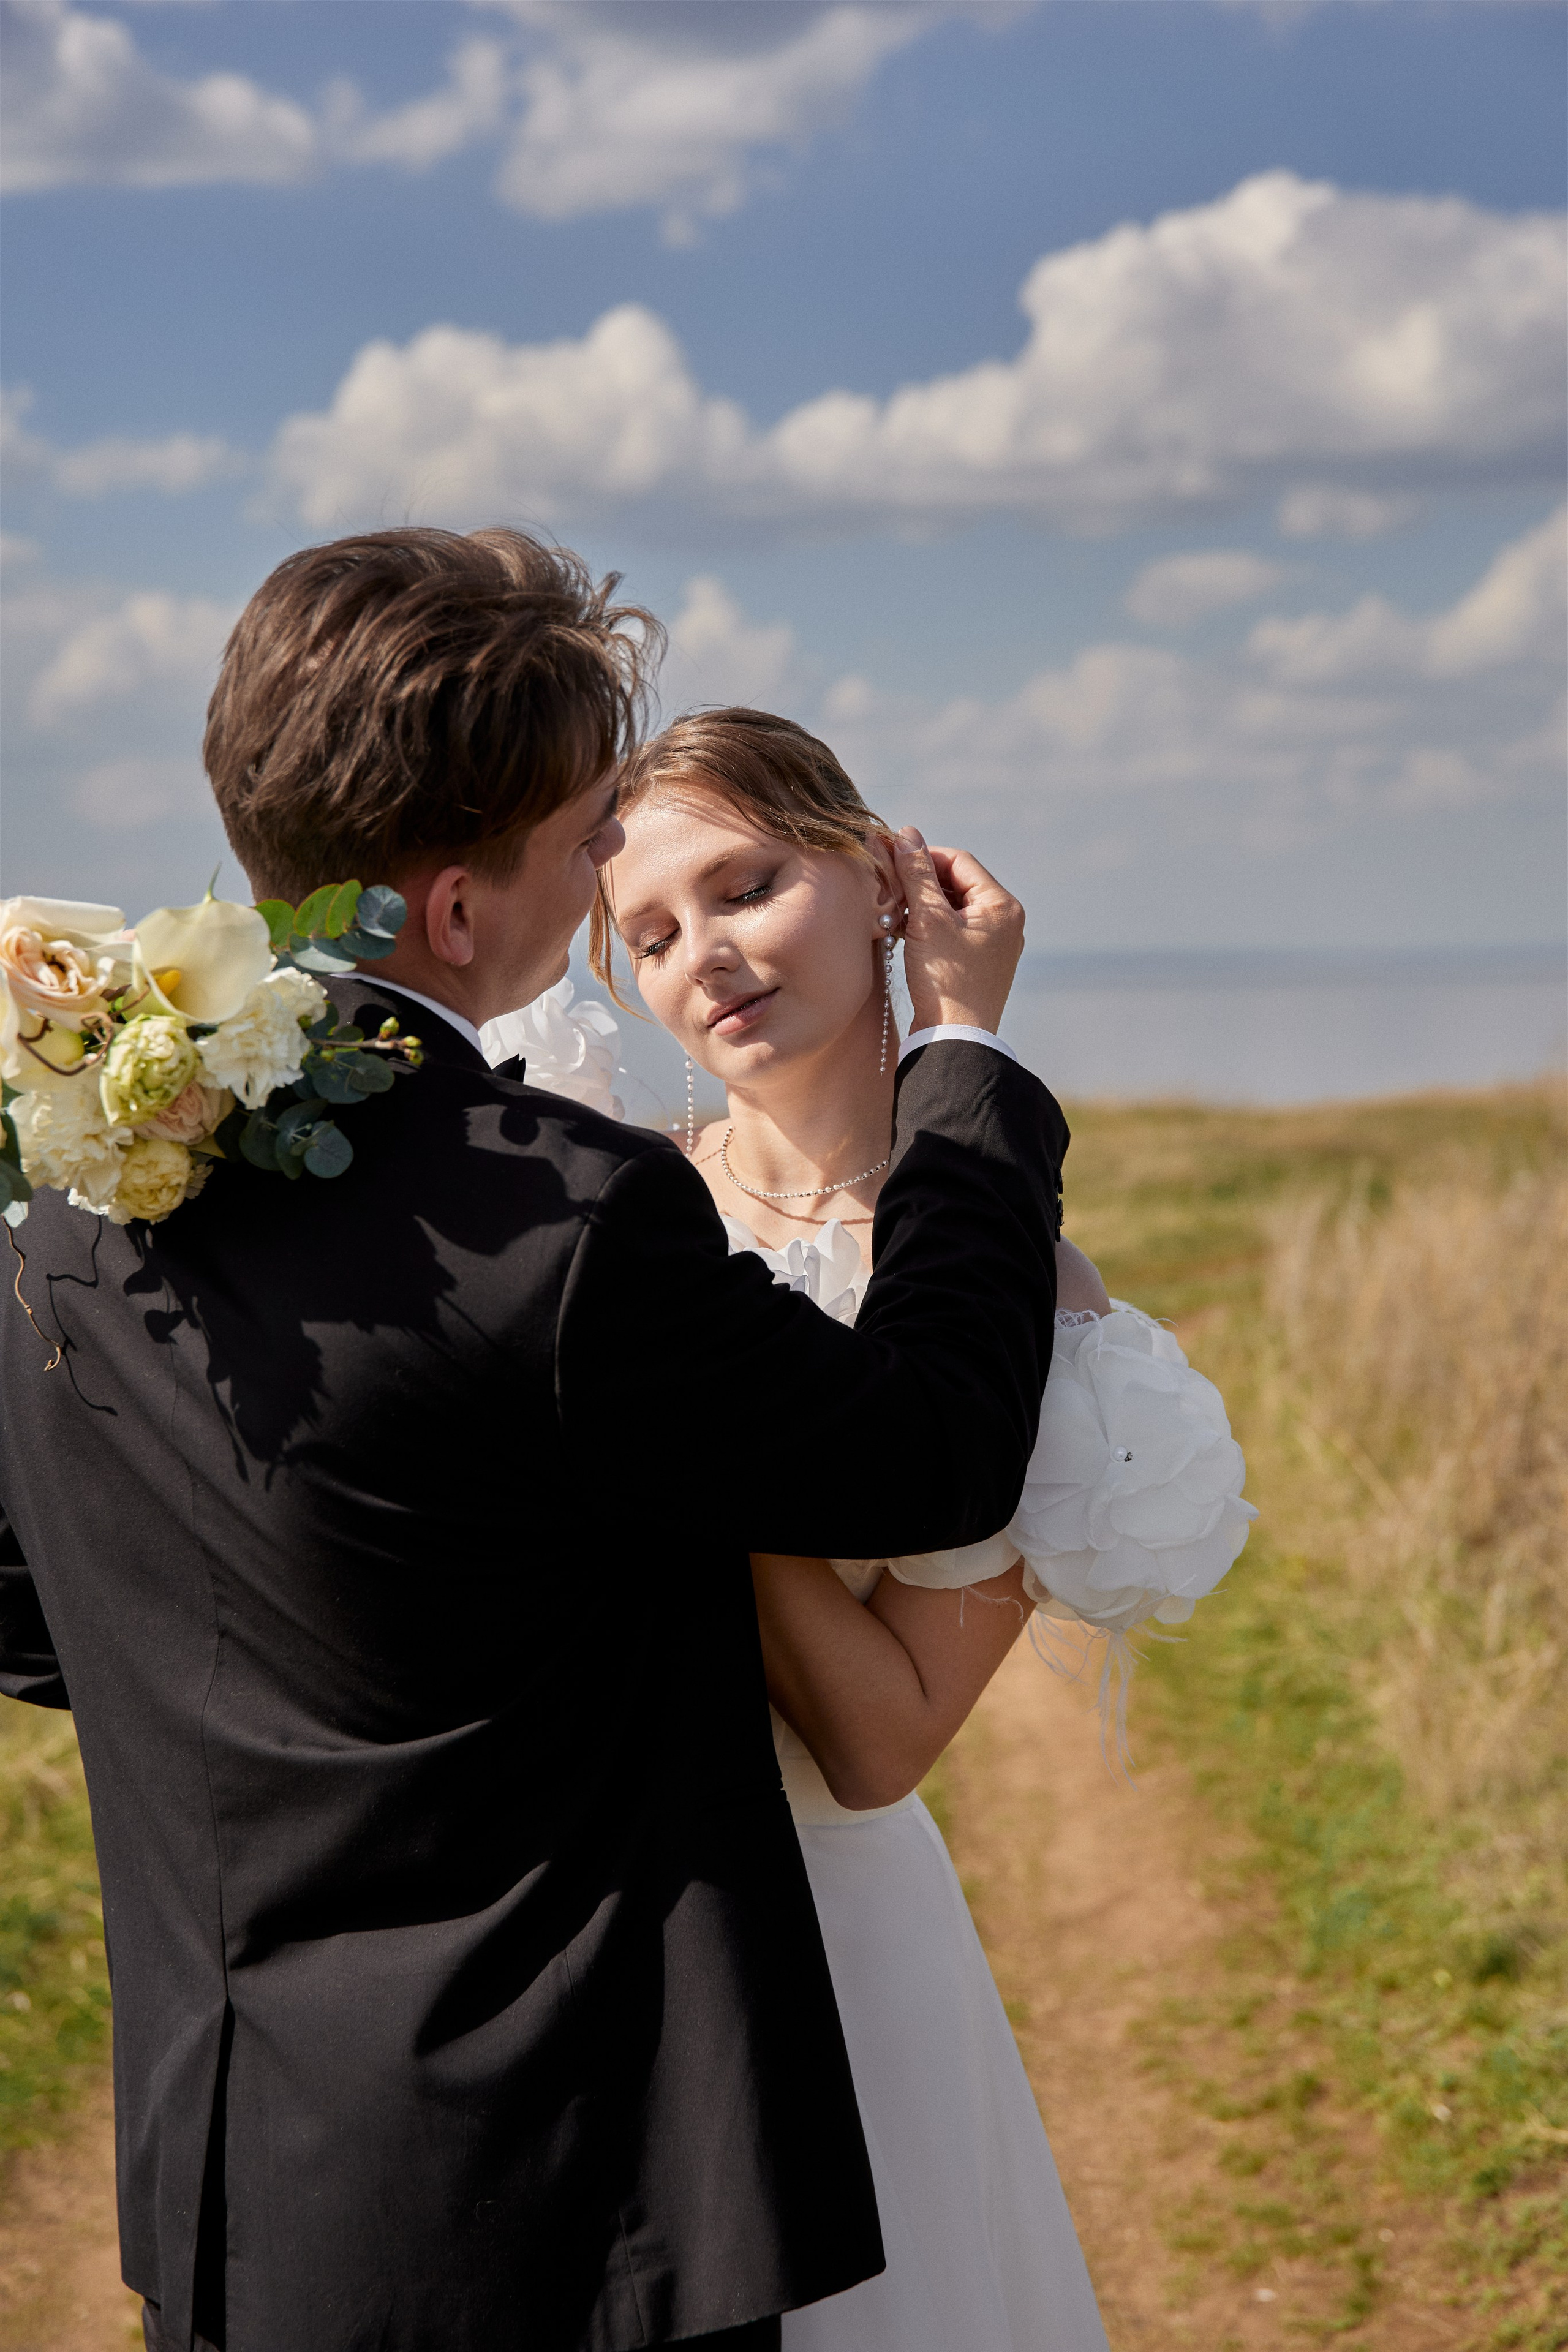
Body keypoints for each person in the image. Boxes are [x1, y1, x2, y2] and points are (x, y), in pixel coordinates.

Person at [0, 530, 1073, 2352]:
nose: (606, 879)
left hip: (241, 2206)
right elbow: (937, 1457)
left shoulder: (73, 1185)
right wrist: (966, 1057)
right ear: (455, 911)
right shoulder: (561, 1227)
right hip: (574, 2213)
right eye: (591, 845)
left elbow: (32, 1609)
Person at [589, 707, 1245, 2351]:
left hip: (833, 1947)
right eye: (649, 935)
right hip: (583, 1925)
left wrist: (697, 1449)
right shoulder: (604, 1211)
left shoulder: (1021, 1294)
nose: (703, 955)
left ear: (885, 874)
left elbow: (886, 1742)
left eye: (746, 886)